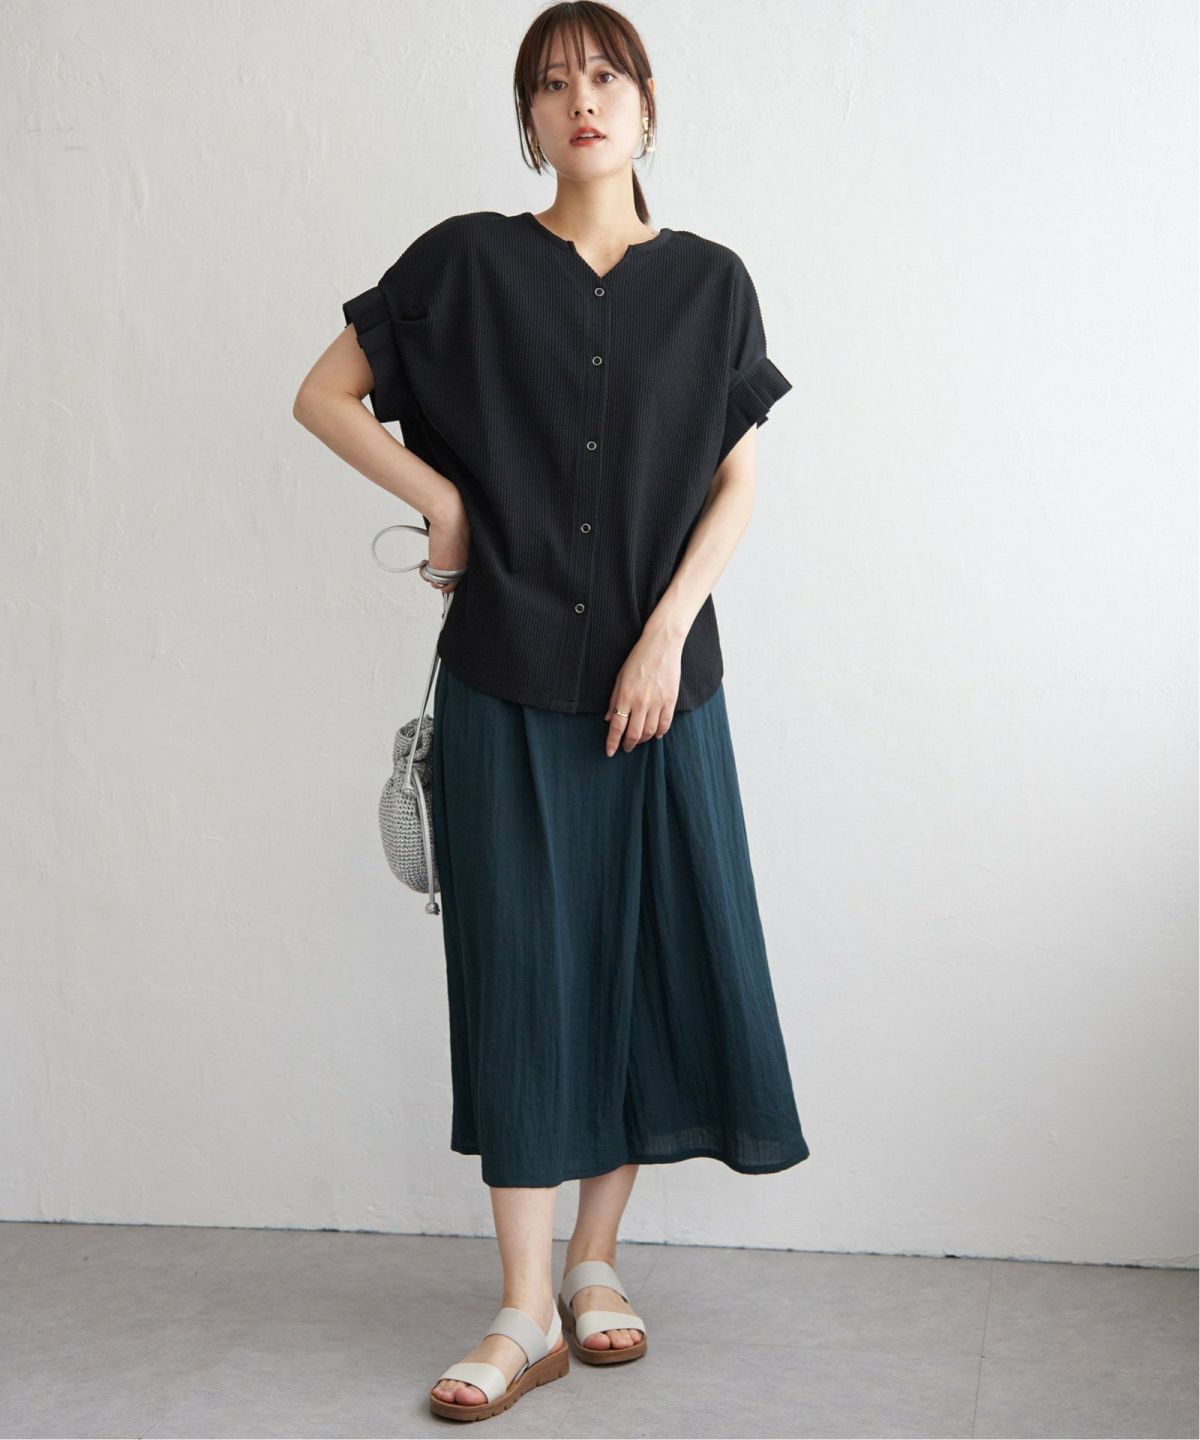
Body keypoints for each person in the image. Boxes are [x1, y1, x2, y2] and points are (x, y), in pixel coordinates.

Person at [293, 1, 811, 1422]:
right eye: (551, 82)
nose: (580, 99)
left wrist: (666, 633)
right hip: (506, 677)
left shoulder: (710, 284)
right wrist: (446, 503)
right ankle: (521, 1309)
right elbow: (325, 395)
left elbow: (737, 479)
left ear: (646, 104)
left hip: (660, 691)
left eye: (604, 75)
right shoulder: (466, 263)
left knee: (636, 963)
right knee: (522, 975)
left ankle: (596, 1265)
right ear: (527, 118)